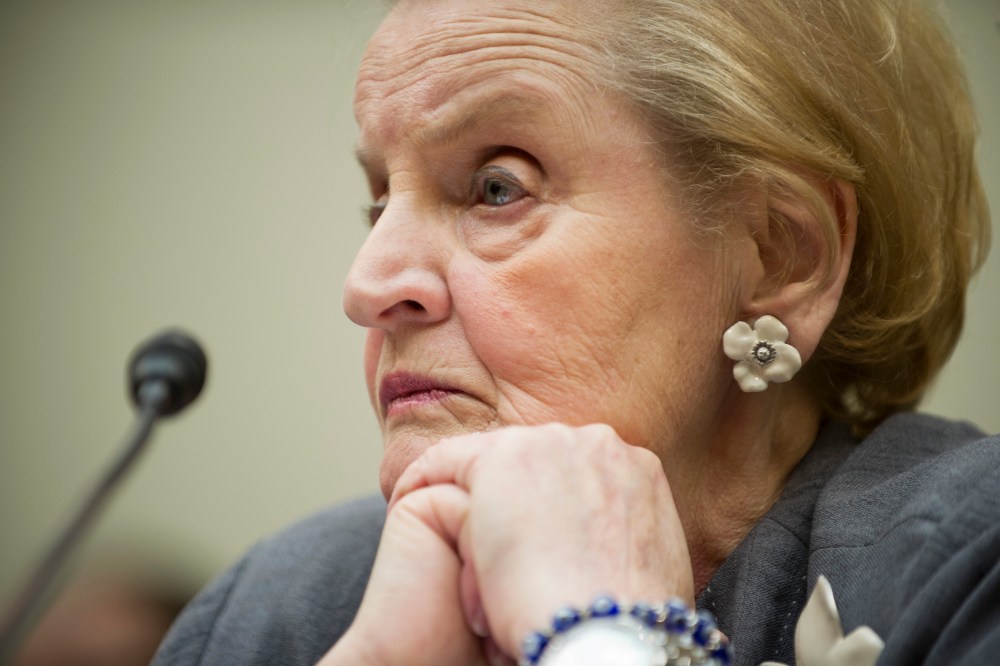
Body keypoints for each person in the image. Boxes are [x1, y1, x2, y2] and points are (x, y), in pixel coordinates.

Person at [153, 0, 997, 664]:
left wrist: (611, 644)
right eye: (379, 202)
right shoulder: (278, 609)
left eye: (495, 187)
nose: (367, 284)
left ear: (779, 254)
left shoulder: (968, 566)